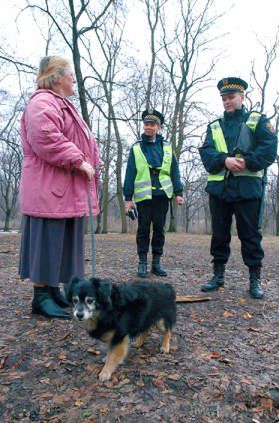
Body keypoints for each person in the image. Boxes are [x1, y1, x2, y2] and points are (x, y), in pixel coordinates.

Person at [19, 56, 103, 318]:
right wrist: (78, 160)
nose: (74, 79)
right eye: (70, 75)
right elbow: (47, 138)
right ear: (57, 78)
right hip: (48, 188)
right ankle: (41, 298)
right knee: (47, 240)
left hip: (64, 189)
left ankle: (53, 292)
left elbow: (78, 138)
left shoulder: (62, 104)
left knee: (62, 242)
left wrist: (93, 160)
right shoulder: (42, 102)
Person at [199, 77, 277, 299]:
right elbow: (206, 152)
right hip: (220, 190)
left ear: (242, 97)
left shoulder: (258, 121)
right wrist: (224, 160)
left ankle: (254, 280)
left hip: (247, 188)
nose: (227, 101)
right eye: (223, 98)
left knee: (250, 235)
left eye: (231, 97)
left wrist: (247, 161)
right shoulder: (214, 126)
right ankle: (218, 276)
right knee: (219, 234)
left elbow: (269, 149)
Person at [123, 109, 184, 277]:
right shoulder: (136, 148)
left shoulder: (167, 147)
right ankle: (142, 262)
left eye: (152, 124)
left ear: (159, 127)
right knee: (143, 229)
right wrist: (128, 199)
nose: (149, 127)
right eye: (146, 124)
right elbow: (130, 173)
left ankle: (156, 263)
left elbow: (174, 170)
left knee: (159, 229)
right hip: (144, 197)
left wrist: (179, 192)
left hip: (162, 195)